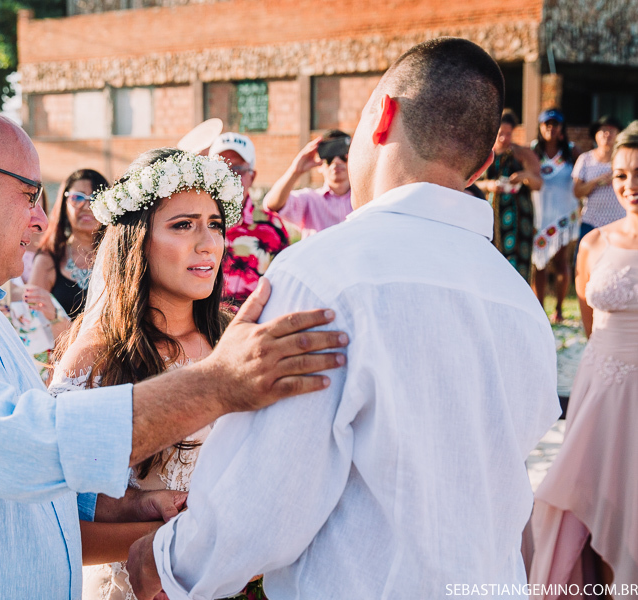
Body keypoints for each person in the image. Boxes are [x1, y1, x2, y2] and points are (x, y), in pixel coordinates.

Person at [0, 98, 348, 599]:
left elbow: (29, 488)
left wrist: (128, 507)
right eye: (31, 195)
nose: (41, 220)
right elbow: (23, 448)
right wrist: (218, 384)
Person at [125, 37, 560, 600]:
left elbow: (266, 494)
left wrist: (165, 561)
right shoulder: (520, 302)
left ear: (381, 116)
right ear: (480, 166)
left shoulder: (321, 276)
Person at [48, 147, 252, 600]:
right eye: (183, 225)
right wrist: (173, 541)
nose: (208, 243)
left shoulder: (234, 339)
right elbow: (52, 522)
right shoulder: (98, 357)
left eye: (215, 224)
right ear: (137, 239)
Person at [529, 121, 638, 596]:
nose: (630, 186)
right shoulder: (593, 243)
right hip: (599, 388)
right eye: (622, 176)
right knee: (591, 495)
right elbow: (591, 322)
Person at [210, 132, 290, 306]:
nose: (228, 176)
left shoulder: (272, 227)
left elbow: (286, 287)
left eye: (237, 169)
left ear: (252, 177)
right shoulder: (193, 224)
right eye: (220, 169)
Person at [27, 169, 108, 319]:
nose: (87, 206)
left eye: (96, 198)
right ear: (64, 205)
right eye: (77, 197)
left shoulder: (119, 258)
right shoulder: (48, 260)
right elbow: (31, 319)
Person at [479, 109, 544, 280]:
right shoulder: (483, 154)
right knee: (489, 256)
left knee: (516, 258)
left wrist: (525, 176)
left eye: (508, 134)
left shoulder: (522, 153)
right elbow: (470, 182)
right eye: (501, 133)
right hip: (489, 214)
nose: (504, 138)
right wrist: (488, 185)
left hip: (518, 216)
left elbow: (538, 184)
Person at [531, 108, 581, 321]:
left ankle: (559, 309)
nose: (550, 128)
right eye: (547, 124)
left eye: (555, 124)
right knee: (539, 264)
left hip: (563, 215)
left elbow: (581, 177)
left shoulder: (571, 151)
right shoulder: (533, 151)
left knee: (561, 262)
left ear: (561, 128)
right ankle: (539, 309)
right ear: (541, 127)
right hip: (539, 214)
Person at [263, 130, 354, 238]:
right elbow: (272, 205)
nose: (337, 161)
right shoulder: (310, 200)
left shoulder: (366, 199)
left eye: (343, 154)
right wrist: (295, 171)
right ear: (320, 164)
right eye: (329, 156)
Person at [572, 115, 624, 253]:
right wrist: (596, 181)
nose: (607, 134)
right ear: (596, 135)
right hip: (591, 222)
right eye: (603, 130)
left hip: (619, 223)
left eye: (611, 130)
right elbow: (577, 192)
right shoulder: (585, 159)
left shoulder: (624, 159)